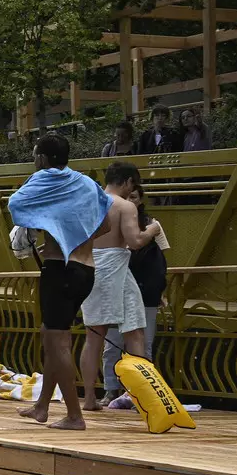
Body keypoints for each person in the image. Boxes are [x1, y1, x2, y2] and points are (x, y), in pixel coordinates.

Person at [9, 132, 111, 430]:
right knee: (50, 334)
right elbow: (105, 222)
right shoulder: (84, 182)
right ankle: (42, 406)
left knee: (58, 342)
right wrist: (70, 237)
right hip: (86, 270)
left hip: (60, 271)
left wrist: (46, 225)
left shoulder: (45, 179)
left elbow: (16, 204)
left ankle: (74, 415)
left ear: (41, 157)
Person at [79, 161, 164, 409]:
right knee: (135, 332)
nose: (132, 192)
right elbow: (135, 241)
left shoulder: (89, 203)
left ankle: (90, 398)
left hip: (91, 266)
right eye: (132, 185)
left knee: (94, 336)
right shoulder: (125, 206)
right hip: (115, 264)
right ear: (127, 181)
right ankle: (139, 396)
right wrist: (153, 230)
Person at [104, 170, 168, 403]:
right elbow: (135, 242)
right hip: (118, 281)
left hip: (145, 287)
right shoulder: (115, 215)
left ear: (140, 200)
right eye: (128, 196)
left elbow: (162, 258)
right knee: (112, 343)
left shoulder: (151, 223)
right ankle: (111, 389)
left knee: (144, 341)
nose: (130, 200)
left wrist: (161, 288)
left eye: (134, 197)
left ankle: (140, 392)